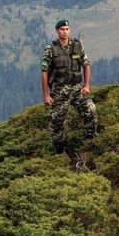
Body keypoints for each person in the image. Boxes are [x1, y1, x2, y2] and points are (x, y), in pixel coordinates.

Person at [41, 19, 97, 153]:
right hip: (60, 91)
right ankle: (60, 152)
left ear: (69, 30)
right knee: (57, 124)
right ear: (57, 31)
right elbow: (44, 72)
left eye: (67, 29)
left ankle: (91, 142)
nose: (64, 32)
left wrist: (86, 85)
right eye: (62, 29)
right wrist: (46, 95)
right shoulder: (51, 49)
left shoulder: (77, 45)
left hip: (77, 88)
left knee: (91, 110)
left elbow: (86, 64)